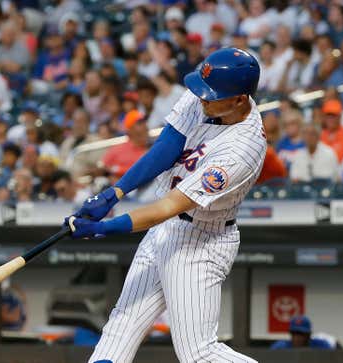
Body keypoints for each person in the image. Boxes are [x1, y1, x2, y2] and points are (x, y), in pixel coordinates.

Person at [68, 48, 264, 363]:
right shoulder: (209, 93)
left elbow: (167, 206)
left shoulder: (244, 148)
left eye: (211, 96)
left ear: (240, 99)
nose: (202, 98)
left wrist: (105, 228)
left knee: (198, 354)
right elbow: (169, 144)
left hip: (200, 241)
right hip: (167, 228)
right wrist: (115, 192)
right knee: (121, 325)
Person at [101, 110, 149, 180]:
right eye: (140, 123)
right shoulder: (118, 149)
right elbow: (103, 167)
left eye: (144, 122)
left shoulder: (153, 147)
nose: (145, 126)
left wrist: (118, 170)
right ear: (129, 129)